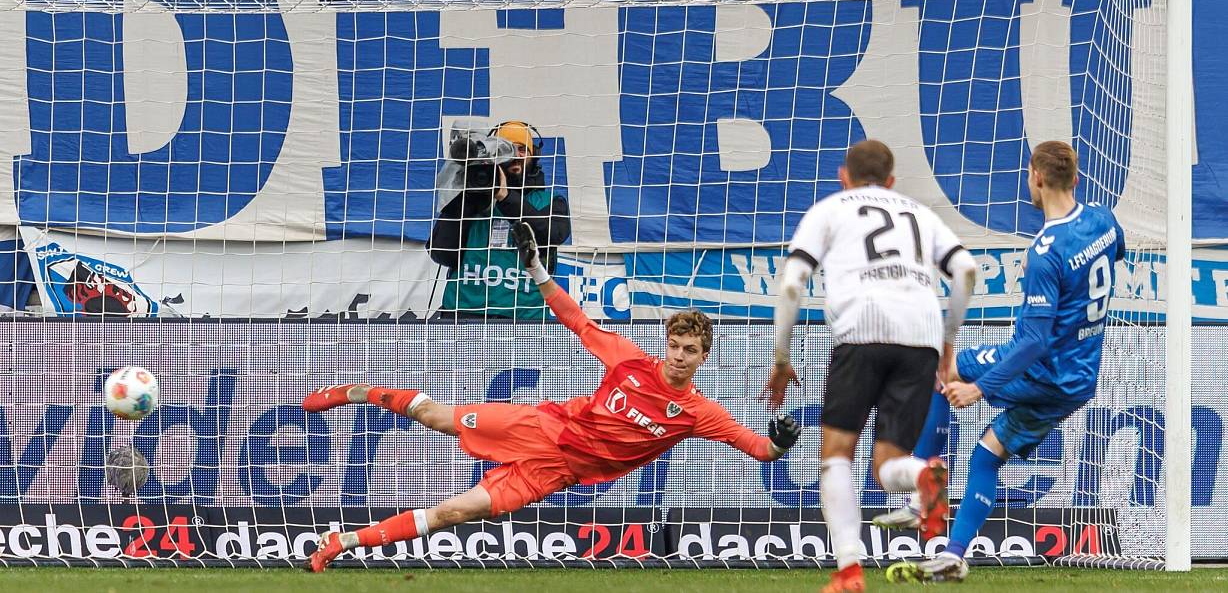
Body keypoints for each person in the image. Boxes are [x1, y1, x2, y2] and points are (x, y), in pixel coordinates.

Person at [303, 222, 801, 572]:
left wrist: (780, 443)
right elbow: (575, 319)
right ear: (665, 343)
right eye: (674, 345)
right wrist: (538, 269)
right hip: (540, 427)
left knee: (451, 514)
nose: (678, 356)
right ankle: (355, 391)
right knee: (436, 417)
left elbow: (758, 449)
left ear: (703, 357)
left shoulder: (700, 413)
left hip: (553, 473)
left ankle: (340, 542)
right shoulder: (629, 360)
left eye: (690, 350)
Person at [882, 141, 1126, 583]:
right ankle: (954, 555)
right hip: (1079, 379)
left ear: (1036, 177)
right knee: (986, 457)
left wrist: (980, 388)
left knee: (942, 370)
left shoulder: (1046, 251)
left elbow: (1033, 341)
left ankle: (925, 495)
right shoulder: (1103, 219)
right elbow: (1116, 253)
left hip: (1043, 369)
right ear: (1075, 179)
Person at [764, 139, 979, 593]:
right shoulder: (919, 213)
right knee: (887, 466)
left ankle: (849, 571)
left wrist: (782, 359)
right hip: (920, 339)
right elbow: (965, 270)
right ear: (892, 180)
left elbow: (792, 284)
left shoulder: (830, 209)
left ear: (844, 177)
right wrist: (947, 341)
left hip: (861, 333)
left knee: (836, 457)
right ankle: (921, 475)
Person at [429, 120, 571, 319]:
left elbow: (553, 234)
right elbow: (442, 254)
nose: (515, 155)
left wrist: (505, 196)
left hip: (525, 317)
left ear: (534, 155)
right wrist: (466, 196)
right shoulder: (471, 195)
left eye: (522, 149)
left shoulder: (551, 201)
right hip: (464, 313)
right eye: (507, 149)